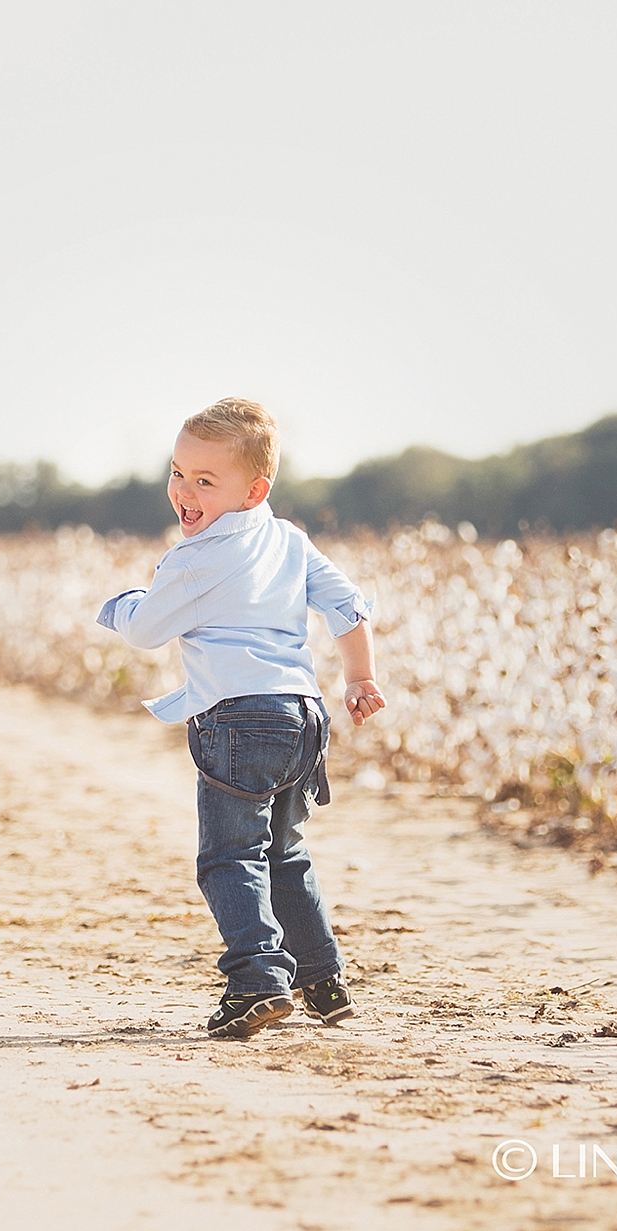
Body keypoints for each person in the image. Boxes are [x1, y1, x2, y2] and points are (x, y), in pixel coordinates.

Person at [97, 398, 386, 1039]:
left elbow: (146, 630)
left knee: (231, 858)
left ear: (255, 488)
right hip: (302, 718)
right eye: (177, 472)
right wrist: (361, 677)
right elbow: (346, 604)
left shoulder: (195, 558)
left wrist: (120, 606)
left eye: (205, 480)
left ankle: (257, 978)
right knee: (285, 852)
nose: (184, 492)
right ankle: (323, 977)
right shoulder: (289, 540)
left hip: (238, 720)